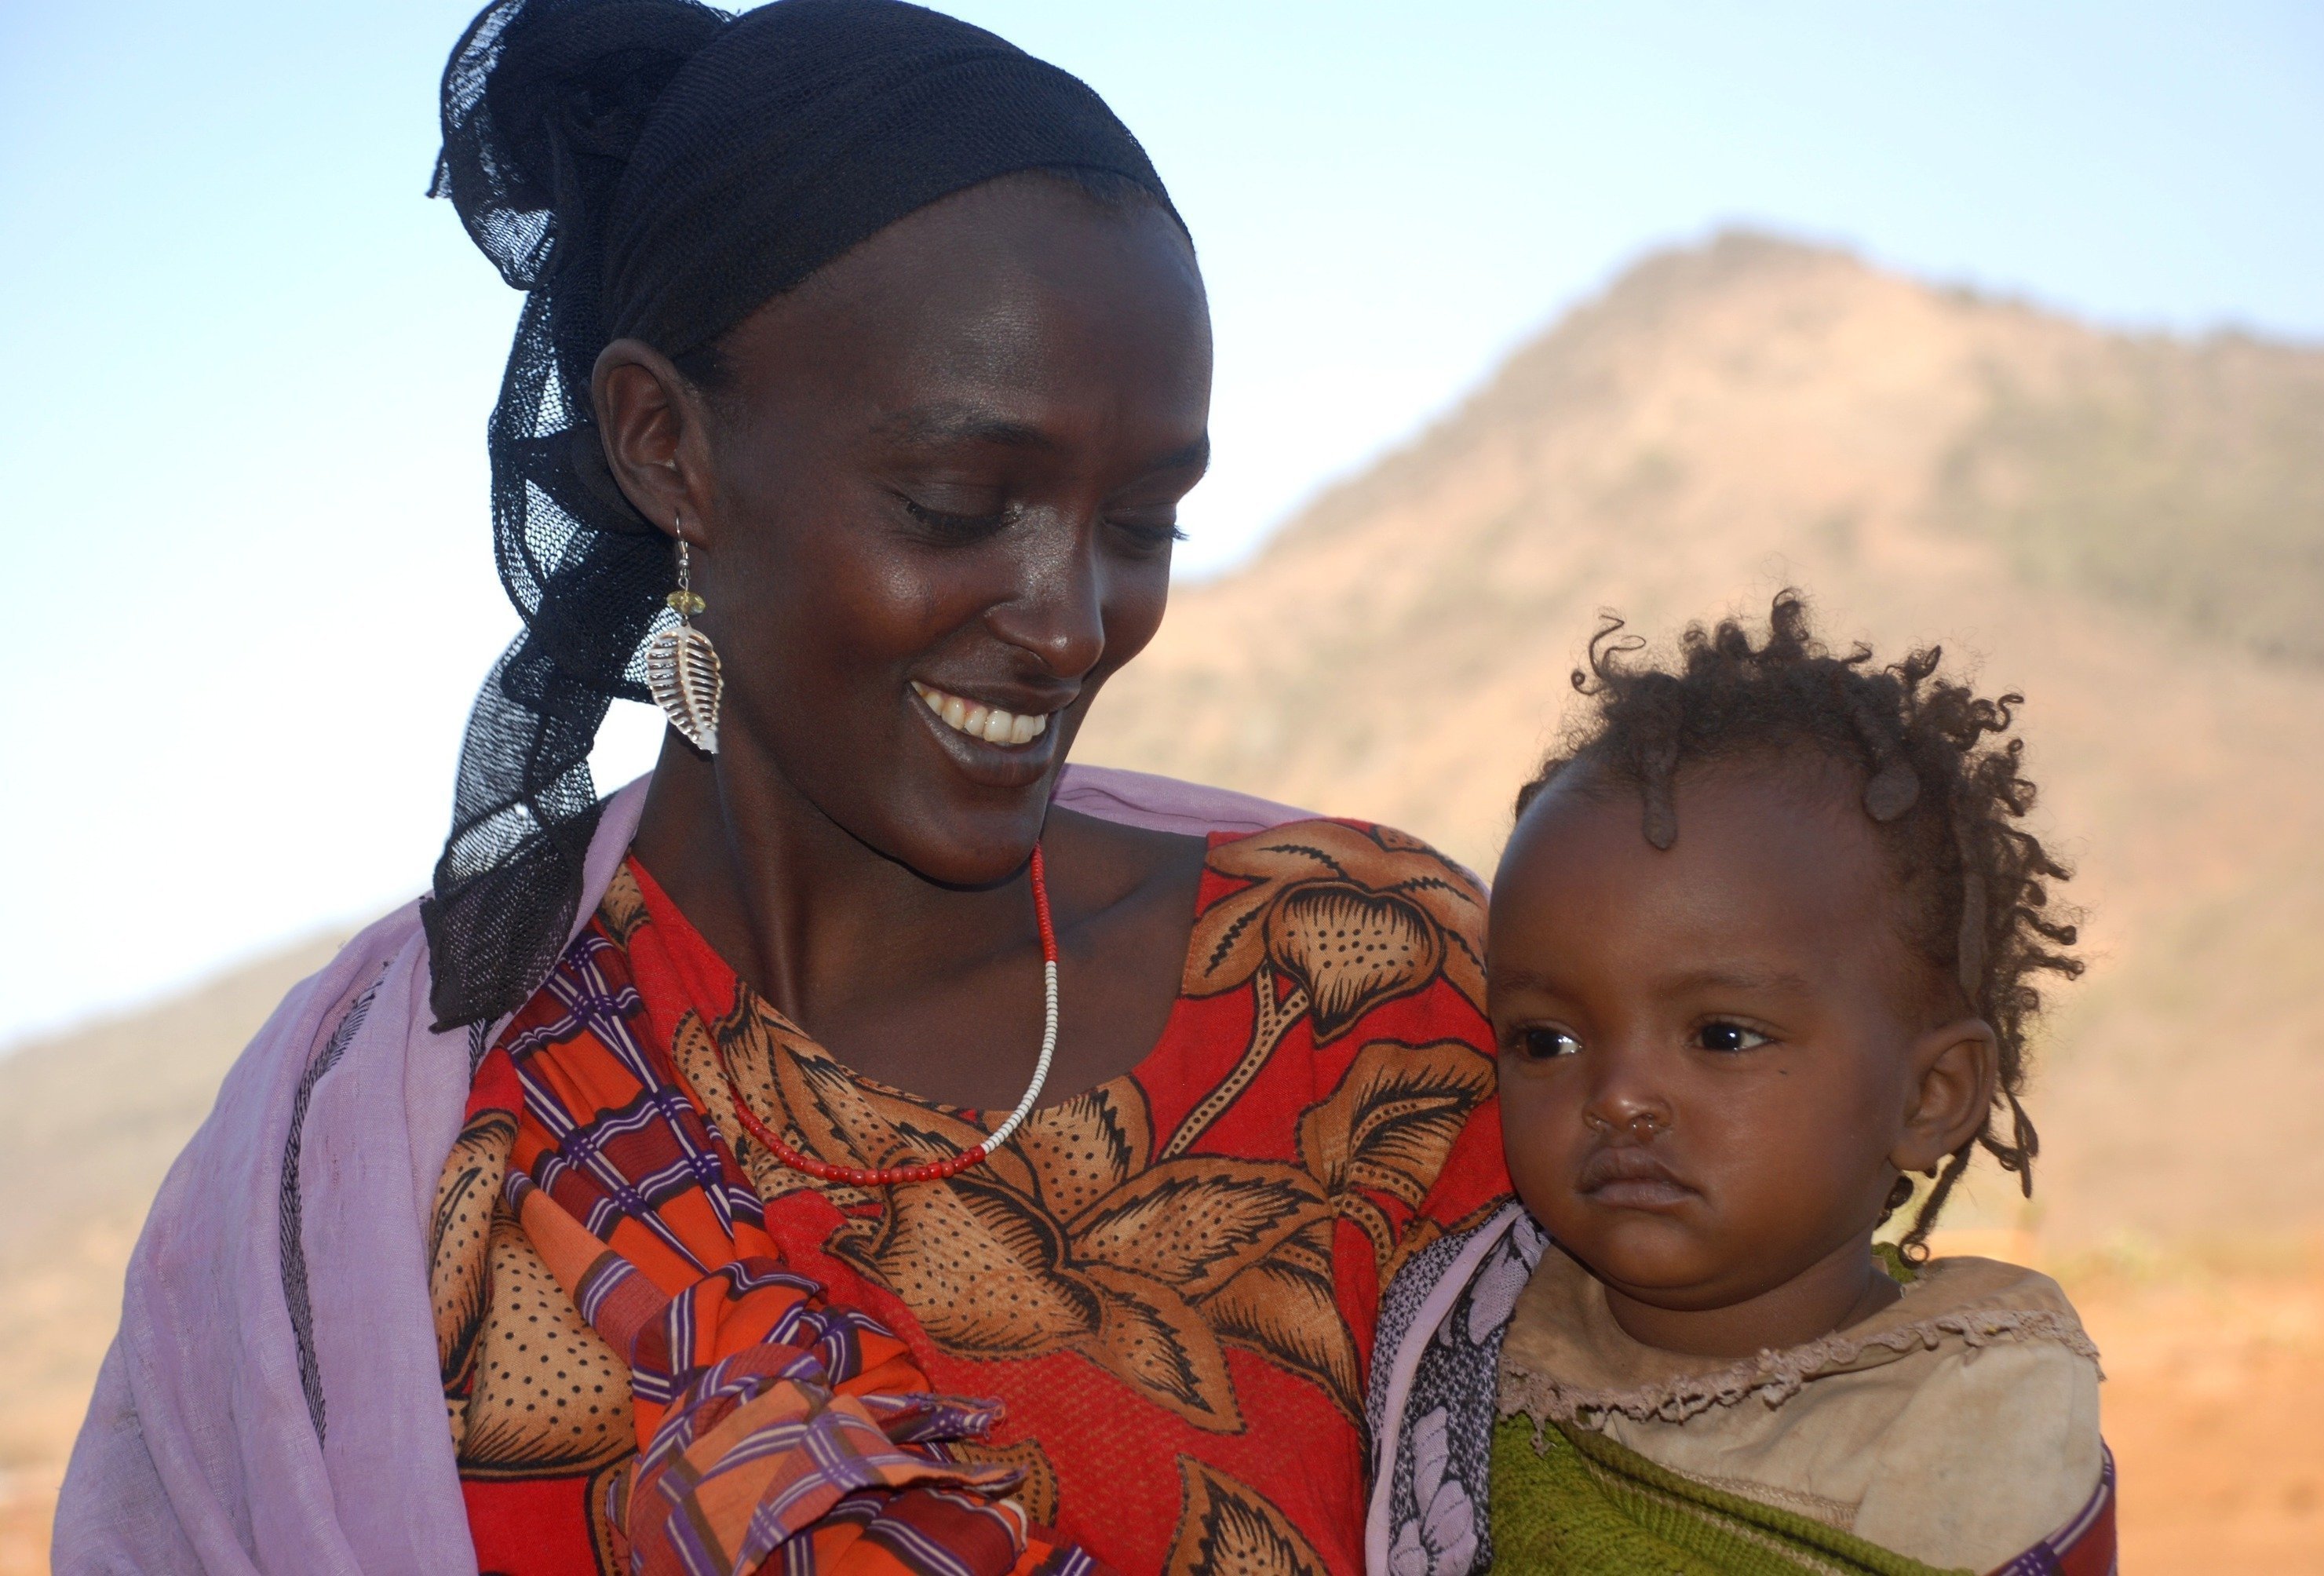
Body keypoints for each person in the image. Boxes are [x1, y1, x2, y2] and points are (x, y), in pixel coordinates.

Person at [53, 3, 1508, 1571]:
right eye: (960, 502)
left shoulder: (1371, 996)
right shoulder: (387, 1154)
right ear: (664, 443)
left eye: (1143, 523)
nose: (1077, 620)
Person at [1364, 593, 2115, 1576]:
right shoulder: (1458, 1341)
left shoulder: (1976, 1414)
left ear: (1931, 1097)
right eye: (1545, 1040)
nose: (1620, 1094)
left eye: (1721, 1035)